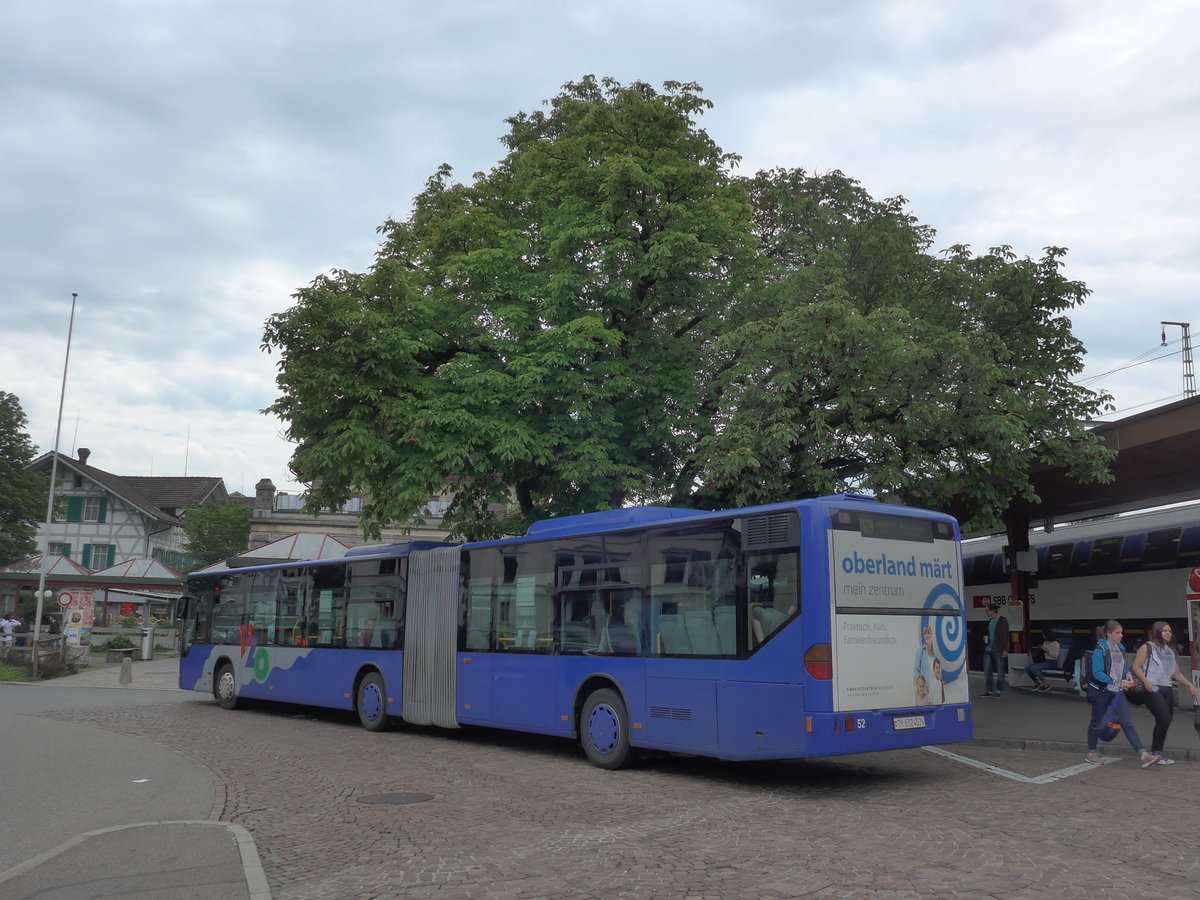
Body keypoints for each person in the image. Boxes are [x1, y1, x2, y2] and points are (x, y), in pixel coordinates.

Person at [1084, 619, 1160, 768]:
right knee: (1096, 721)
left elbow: (1123, 667)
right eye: (1118, 633)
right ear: (1109, 634)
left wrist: (1127, 674)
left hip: (1116, 691)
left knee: (1127, 722)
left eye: (1121, 633)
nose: (1121, 635)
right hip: (1101, 691)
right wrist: (1116, 681)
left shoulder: (1120, 647)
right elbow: (1097, 673)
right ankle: (1091, 753)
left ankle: (1143, 754)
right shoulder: (1099, 650)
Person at [1131, 621, 1198, 765]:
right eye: (1164, 631)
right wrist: (1147, 682)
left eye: (1169, 631)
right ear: (1157, 632)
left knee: (1164, 721)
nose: (1168, 633)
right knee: (1164, 718)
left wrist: (1189, 684)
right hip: (1152, 688)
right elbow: (1136, 666)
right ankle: (1156, 753)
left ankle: (1157, 753)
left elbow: (1176, 673)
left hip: (1166, 688)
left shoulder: (1170, 650)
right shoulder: (1147, 647)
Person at [982, 603, 1010, 697]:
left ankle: (998, 690)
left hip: (998, 649)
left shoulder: (1002, 621)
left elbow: (1006, 636)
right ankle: (990, 690)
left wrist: (1006, 650)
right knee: (987, 671)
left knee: (1000, 671)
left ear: (993, 610)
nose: (986, 613)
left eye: (987, 611)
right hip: (988, 648)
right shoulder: (990, 621)